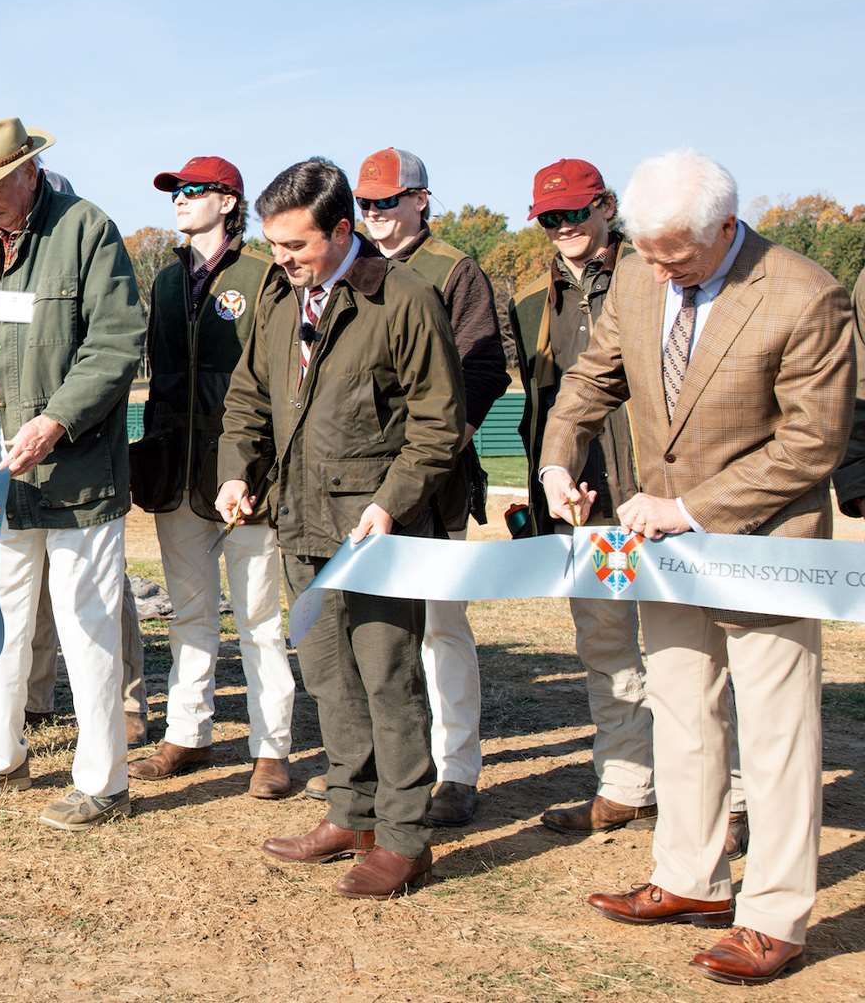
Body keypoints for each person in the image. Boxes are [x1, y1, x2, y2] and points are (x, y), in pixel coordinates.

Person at [543, 150, 852, 986]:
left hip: (765, 550)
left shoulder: (804, 293)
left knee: (779, 733)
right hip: (667, 557)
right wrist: (556, 460)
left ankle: (775, 916)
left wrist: (690, 508)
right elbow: (589, 380)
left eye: (675, 254)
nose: (655, 269)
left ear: (726, 228)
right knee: (683, 708)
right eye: (645, 250)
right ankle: (689, 880)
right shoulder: (640, 279)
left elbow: (812, 444)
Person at [216, 157, 465, 898]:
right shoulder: (279, 298)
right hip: (299, 524)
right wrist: (237, 469)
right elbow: (248, 397)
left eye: (297, 246)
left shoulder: (407, 300)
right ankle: (350, 811)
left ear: (343, 230)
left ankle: (404, 838)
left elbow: (438, 425)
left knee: (388, 679)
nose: (283, 260)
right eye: (275, 245)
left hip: (379, 532)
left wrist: (390, 503)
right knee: (328, 677)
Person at [0, 117, 144, 830]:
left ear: (29, 171)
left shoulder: (87, 232)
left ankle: (102, 780)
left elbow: (115, 343)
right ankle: (1, 753)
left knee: (87, 628)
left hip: (76, 477)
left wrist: (57, 420)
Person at [346, 147, 510, 826]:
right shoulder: (351, 266)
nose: (377, 214)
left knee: (442, 625)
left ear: (421, 198)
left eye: (388, 201)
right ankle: (391, 765)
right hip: (362, 475)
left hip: (434, 477)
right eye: (367, 204)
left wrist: (447, 442)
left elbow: (483, 367)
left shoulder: (452, 270)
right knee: (377, 628)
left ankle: (458, 770)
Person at [127, 156, 295, 796]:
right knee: (189, 613)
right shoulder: (167, 280)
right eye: (175, 190)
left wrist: (258, 466)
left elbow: (277, 380)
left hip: (249, 474)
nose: (180, 199)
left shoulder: (263, 274)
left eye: (194, 190)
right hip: (176, 468)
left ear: (229, 203)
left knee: (258, 619)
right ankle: (187, 735)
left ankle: (271, 747)